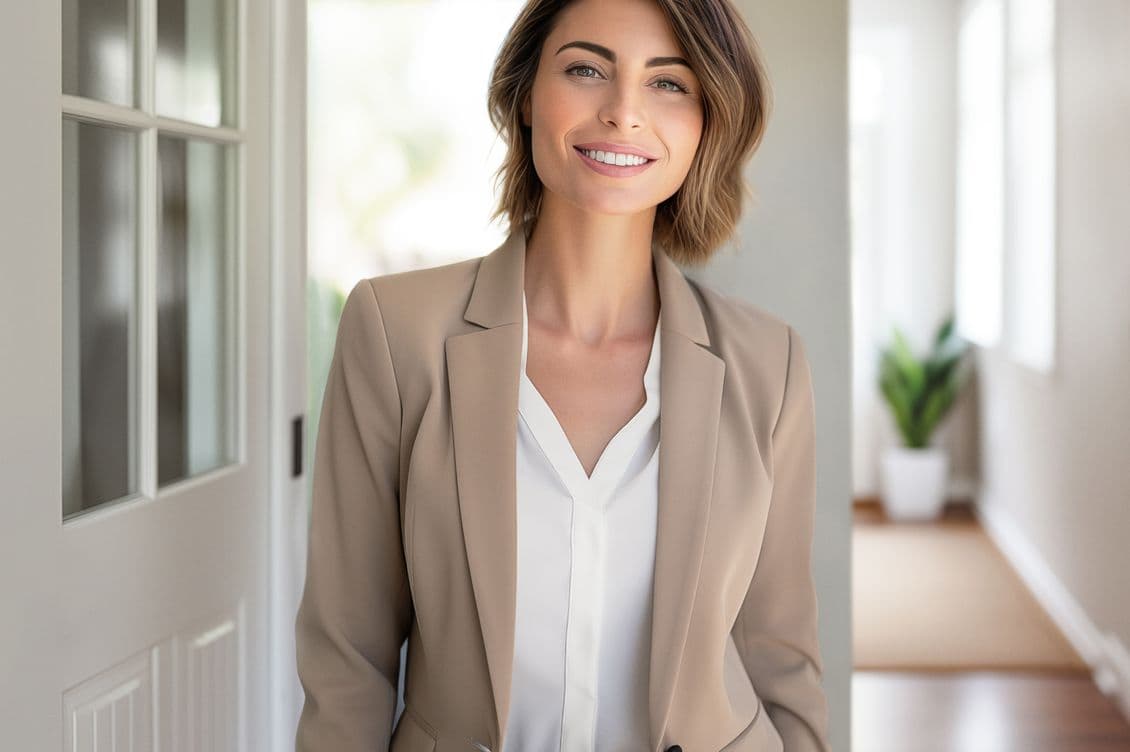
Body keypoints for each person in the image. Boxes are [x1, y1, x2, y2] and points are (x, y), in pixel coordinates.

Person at [294, 0, 830, 750]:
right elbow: (347, 654)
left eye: (669, 84)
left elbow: (782, 658)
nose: (623, 113)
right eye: (586, 69)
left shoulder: (769, 364)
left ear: (708, 121)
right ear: (523, 95)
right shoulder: (395, 333)